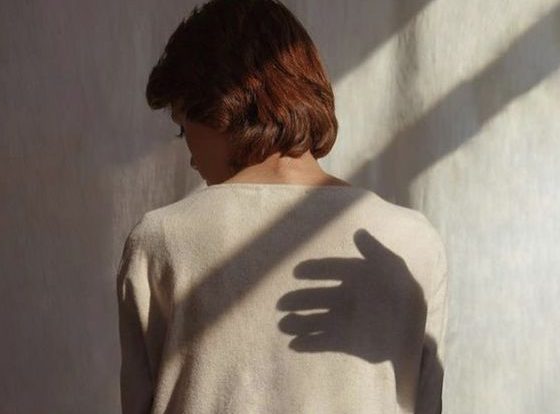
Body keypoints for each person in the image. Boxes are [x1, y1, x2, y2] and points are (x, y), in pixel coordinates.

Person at [116, 0, 448, 413]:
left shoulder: (161, 240)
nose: (191, 157)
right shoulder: (412, 241)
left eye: (185, 128)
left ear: (220, 107)